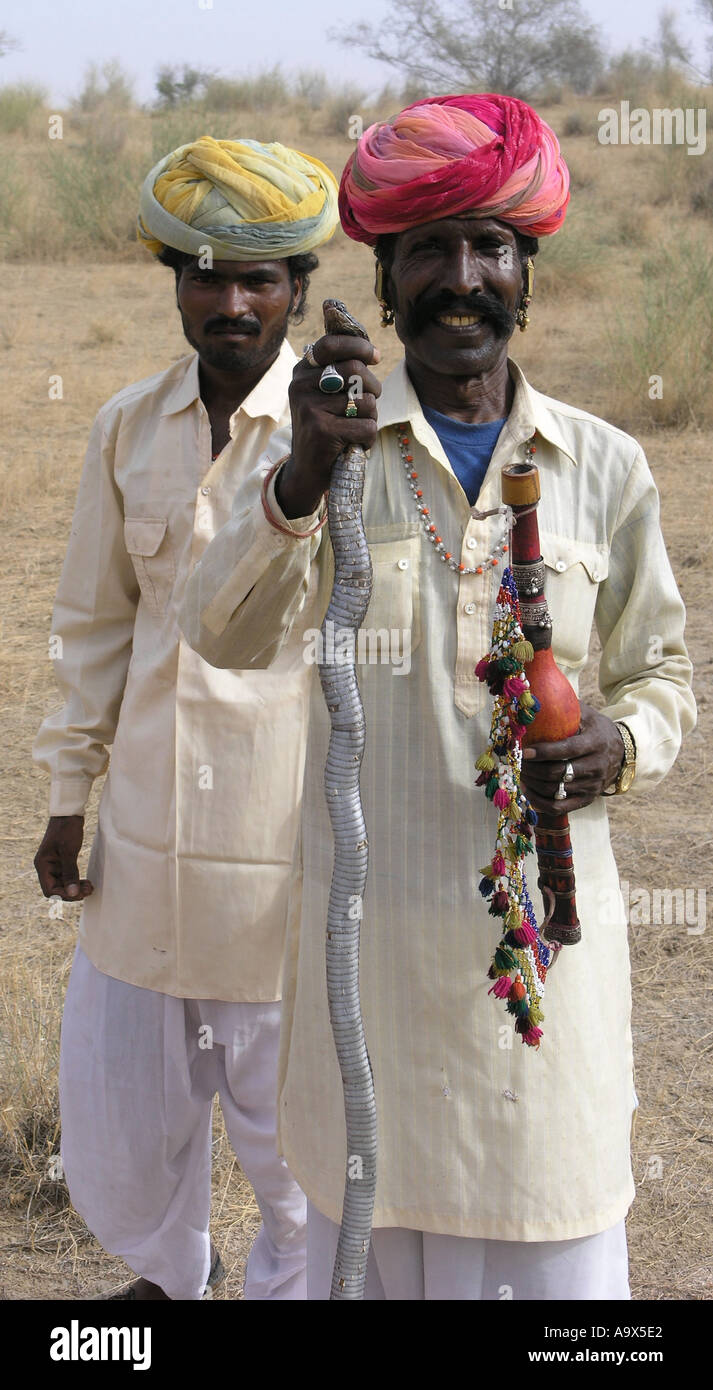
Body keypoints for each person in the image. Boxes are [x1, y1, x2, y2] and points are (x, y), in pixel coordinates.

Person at [179, 97, 696, 1300]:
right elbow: (224, 629)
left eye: (488, 248)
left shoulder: (602, 464)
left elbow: (661, 675)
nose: (460, 278)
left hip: (541, 988)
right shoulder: (328, 444)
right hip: (377, 990)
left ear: (527, 274)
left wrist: (617, 742)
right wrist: (305, 468)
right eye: (429, 251)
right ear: (385, 275)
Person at [33, 135, 339, 1301]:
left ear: (296, 291)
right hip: (145, 840)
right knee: (120, 1128)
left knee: (294, 1141)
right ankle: (168, 1281)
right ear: (175, 282)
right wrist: (70, 796)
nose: (229, 300)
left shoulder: (344, 429)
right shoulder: (127, 423)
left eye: (257, 278)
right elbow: (91, 625)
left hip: (285, 850)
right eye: (204, 273)